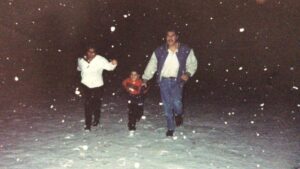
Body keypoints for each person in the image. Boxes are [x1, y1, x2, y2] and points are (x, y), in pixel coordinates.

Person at [142, 29, 198, 137]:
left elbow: (193, 64)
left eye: (172, 36)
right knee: (167, 105)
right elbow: (152, 65)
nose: (170, 38)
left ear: (176, 37)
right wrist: (145, 78)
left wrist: (188, 73)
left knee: (177, 102)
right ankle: (170, 128)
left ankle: (178, 114)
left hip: (177, 80)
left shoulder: (185, 50)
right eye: (168, 36)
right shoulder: (159, 51)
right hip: (164, 81)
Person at [77, 46, 118, 131]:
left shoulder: (100, 59)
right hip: (85, 85)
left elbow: (109, 67)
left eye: (93, 52)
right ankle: (87, 124)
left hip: (97, 85)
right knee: (87, 104)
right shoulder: (81, 59)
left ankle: (96, 119)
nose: (91, 54)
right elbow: (79, 68)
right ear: (86, 52)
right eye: (89, 51)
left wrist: (114, 63)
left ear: (96, 53)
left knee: (96, 104)